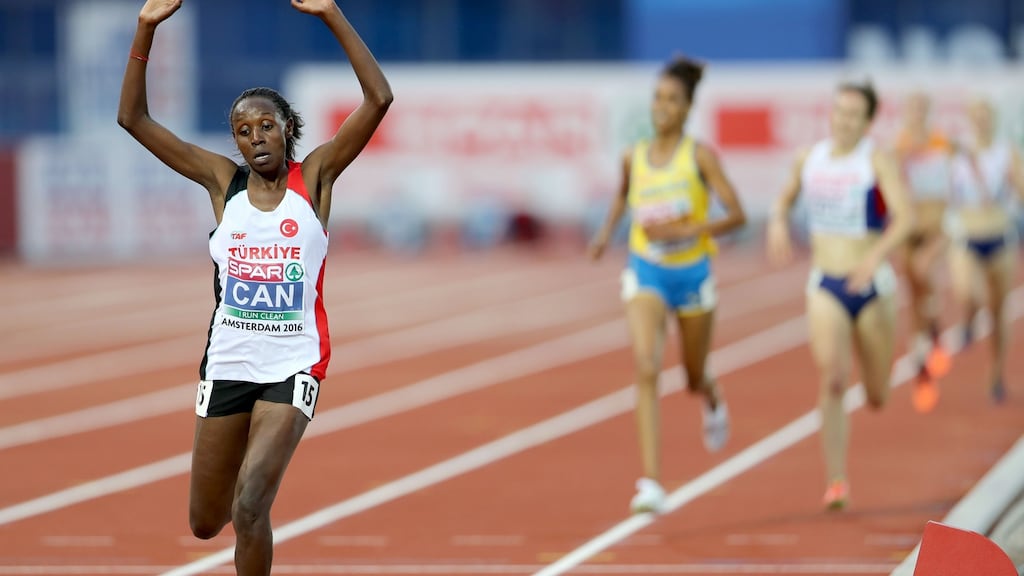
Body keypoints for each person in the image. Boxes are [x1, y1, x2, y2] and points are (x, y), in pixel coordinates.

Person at [117, 0, 392, 573]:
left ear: (288, 129)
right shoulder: (223, 183)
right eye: (243, 131)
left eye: (266, 125)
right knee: (204, 520)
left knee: (250, 505)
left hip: (293, 363)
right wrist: (145, 29)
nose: (255, 137)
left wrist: (331, 14)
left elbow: (378, 99)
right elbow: (134, 120)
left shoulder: (314, 177)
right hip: (229, 362)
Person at [588, 56, 747, 515]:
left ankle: (712, 395)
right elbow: (622, 194)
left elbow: (738, 215)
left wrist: (690, 230)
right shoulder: (633, 155)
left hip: (693, 275)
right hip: (646, 271)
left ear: (687, 108)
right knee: (645, 364)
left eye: (672, 100)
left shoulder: (700, 156)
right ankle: (652, 483)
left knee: (693, 375)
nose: (662, 107)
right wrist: (604, 235)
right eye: (658, 98)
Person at [767, 81, 913, 510]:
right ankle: (836, 480)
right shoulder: (808, 158)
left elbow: (905, 219)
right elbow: (785, 197)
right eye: (839, 111)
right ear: (830, 114)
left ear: (868, 122)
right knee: (832, 379)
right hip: (826, 283)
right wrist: (777, 219)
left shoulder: (877, 160)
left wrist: (875, 257)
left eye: (854, 114)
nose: (844, 120)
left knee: (877, 395)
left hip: (870, 286)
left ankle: (880, 383)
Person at [945, 97, 1024, 404]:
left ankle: (996, 374)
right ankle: (966, 322)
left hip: (1000, 237)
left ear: (993, 118)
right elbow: (946, 195)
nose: (981, 121)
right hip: (967, 237)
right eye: (975, 115)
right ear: (968, 119)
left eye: (985, 115)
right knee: (969, 294)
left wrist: (1013, 183)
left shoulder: (1007, 153)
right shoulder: (957, 154)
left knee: (998, 311)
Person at [892, 91, 954, 413]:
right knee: (916, 296)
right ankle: (928, 344)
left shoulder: (941, 144)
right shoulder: (899, 146)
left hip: (935, 229)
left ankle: (926, 359)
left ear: (928, 111)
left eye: (920, 108)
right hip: (909, 231)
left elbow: (952, 185)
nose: (915, 113)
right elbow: (891, 188)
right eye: (911, 107)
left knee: (923, 270)